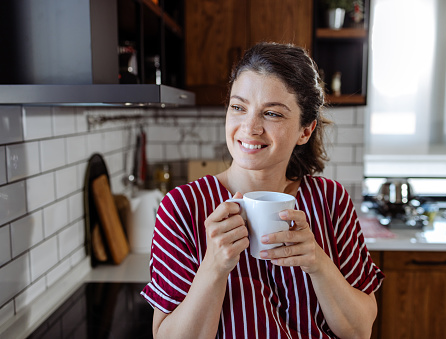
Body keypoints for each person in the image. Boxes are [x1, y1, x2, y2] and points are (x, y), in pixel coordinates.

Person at [141, 42, 384, 339]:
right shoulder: (182, 206)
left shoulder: (331, 200)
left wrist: (317, 262)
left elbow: (359, 330)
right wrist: (215, 266)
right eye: (238, 107)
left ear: (305, 131)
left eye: (272, 114)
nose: (250, 127)